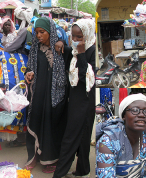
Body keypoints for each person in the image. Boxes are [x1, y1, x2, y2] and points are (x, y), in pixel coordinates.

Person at [23, 17, 72, 173]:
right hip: (38, 94)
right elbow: (29, 67)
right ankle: (34, 156)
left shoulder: (60, 49)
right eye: (36, 32)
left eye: (42, 32)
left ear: (50, 31)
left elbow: (71, 63)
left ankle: (53, 159)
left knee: (52, 125)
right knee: (35, 121)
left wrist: (63, 43)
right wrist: (28, 74)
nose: (38, 36)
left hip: (56, 96)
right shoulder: (35, 49)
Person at [53, 18, 96, 178]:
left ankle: (58, 174)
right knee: (83, 137)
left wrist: (83, 53)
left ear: (88, 35)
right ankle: (83, 171)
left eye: (80, 37)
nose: (77, 40)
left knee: (71, 138)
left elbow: (87, 79)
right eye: (74, 36)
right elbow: (66, 55)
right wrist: (60, 42)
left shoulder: (91, 52)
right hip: (75, 100)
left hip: (84, 102)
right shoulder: (73, 51)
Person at [95, 93, 146, 177]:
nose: (141, 115)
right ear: (124, 116)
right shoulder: (109, 140)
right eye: (134, 110)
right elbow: (106, 174)